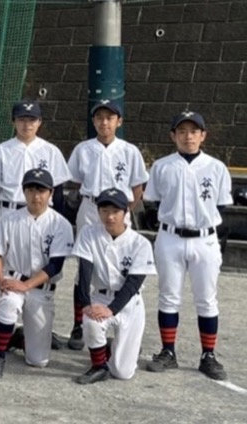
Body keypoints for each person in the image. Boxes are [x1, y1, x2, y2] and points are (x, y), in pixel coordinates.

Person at [142, 111, 231, 381]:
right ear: (173, 136)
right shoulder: (161, 166)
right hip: (170, 236)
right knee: (168, 296)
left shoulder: (216, 167)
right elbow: (153, 201)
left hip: (205, 238)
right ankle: (168, 351)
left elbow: (221, 205)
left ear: (203, 135)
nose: (188, 136)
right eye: (182, 131)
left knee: (207, 299)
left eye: (194, 131)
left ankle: (208, 355)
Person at [64, 99, 148, 350]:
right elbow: (75, 181)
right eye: (99, 117)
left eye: (110, 117)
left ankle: (122, 319)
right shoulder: (83, 149)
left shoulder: (129, 151)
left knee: (121, 266)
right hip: (91, 207)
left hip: (119, 211)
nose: (104, 122)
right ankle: (79, 323)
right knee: (84, 269)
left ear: (119, 121)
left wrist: (124, 211)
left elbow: (137, 187)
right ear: (93, 121)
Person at [0, 170, 74, 379]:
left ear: (51, 193)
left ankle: (17, 338)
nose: (36, 196)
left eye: (41, 190)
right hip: (13, 280)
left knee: (38, 361)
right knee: (8, 304)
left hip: (42, 289)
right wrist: (0, 280)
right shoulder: (9, 219)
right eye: (31, 190)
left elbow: (56, 265)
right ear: (23, 192)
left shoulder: (60, 224)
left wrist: (27, 285)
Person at [72, 189, 155, 384]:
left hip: (129, 303)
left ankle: (114, 348)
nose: (110, 216)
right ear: (98, 211)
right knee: (91, 321)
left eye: (115, 211)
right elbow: (84, 272)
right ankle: (99, 366)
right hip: (100, 296)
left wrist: (111, 309)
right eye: (105, 211)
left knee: (122, 373)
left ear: (125, 212)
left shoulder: (140, 243)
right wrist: (86, 305)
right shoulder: (89, 234)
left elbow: (133, 284)